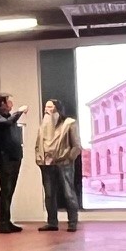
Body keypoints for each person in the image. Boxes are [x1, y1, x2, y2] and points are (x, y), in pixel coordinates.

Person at [34, 98, 81, 233]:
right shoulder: (43, 126)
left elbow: (77, 146)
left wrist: (68, 159)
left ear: (57, 109)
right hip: (46, 164)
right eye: (46, 107)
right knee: (49, 195)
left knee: (68, 193)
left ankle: (72, 222)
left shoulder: (69, 123)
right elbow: (38, 144)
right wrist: (39, 160)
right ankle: (52, 222)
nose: (46, 110)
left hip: (64, 164)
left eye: (50, 107)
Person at [0, 94, 27, 233]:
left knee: (9, 191)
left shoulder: (6, 117)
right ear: (2, 103)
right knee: (6, 190)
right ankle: (2, 222)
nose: (12, 104)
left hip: (14, 158)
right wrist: (20, 111)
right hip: (4, 160)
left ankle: (7, 221)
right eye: (9, 102)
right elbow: (8, 123)